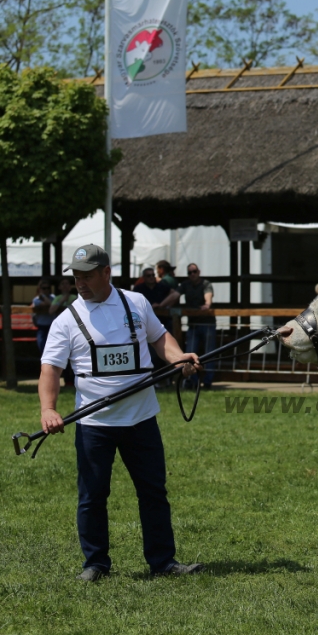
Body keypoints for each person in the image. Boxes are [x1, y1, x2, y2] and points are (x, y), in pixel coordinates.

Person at [38, 244, 202, 581]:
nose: (80, 283)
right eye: (76, 277)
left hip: (141, 417)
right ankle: (96, 564)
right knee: (93, 496)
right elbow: (50, 369)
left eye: (87, 276)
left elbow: (160, 339)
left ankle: (163, 563)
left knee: (153, 492)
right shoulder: (66, 320)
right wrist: (48, 409)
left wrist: (178, 359)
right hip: (94, 422)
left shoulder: (136, 302)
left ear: (105, 273)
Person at [178, 263, 216, 389]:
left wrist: (207, 304)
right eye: (190, 272)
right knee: (190, 353)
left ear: (198, 272)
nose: (192, 274)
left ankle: (208, 382)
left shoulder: (206, 284)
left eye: (194, 271)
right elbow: (174, 295)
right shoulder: (185, 285)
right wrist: (162, 305)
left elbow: (208, 297)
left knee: (209, 353)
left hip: (207, 324)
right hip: (193, 324)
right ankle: (193, 381)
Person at [50, 276, 78, 388]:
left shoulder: (75, 297)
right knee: (63, 355)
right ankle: (66, 379)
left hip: (74, 329)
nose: (65, 286)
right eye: (63, 284)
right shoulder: (57, 298)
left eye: (67, 283)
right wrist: (62, 300)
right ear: (59, 287)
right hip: (61, 330)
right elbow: (51, 310)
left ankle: (73, 380)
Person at [32, 279, 56, 358]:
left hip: (51, 327)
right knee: (42, 348)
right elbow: (44, 304)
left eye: (48, 288)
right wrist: (42, 296)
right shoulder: (36, 300)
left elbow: (50, 304)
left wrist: (44, 296)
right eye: (43, 288)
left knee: (52, 349)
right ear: (39, 289)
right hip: (41, 327)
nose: (46, 290)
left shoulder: (53, 297)